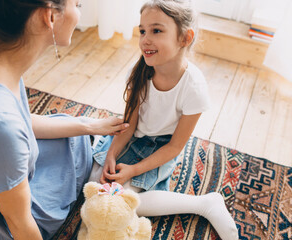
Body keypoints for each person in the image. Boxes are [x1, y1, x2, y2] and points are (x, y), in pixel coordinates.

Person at [0, 0, 129, 239]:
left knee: (72, 134)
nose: (79, 11)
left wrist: (88, 125)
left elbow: (19, 119)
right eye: (77, 4)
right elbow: (19, 223)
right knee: (76, 149)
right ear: (50, 16)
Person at [88, 1, 239, 239]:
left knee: (133, 201)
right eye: (142, 31)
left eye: (156, 31)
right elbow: (129, 125)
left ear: (185, 38)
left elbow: (175, 146)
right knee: (98, 185)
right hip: (133, 137)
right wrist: (112, 155)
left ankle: (205, 204)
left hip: (162, 146)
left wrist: (133, 170)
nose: (145, 39)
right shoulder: (138, 73)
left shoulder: (194, 88)